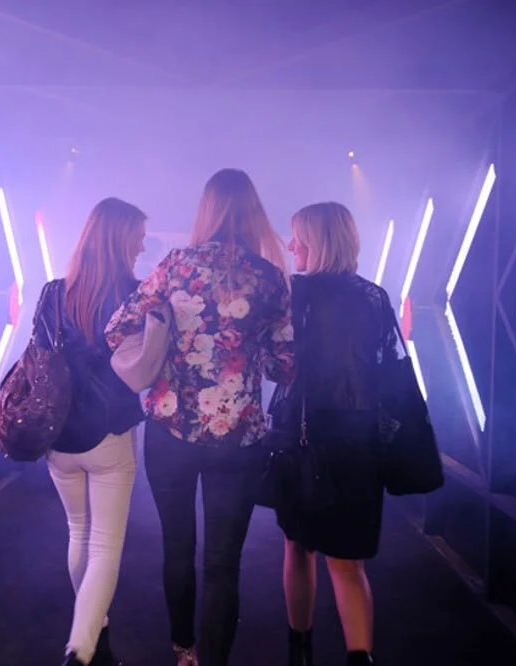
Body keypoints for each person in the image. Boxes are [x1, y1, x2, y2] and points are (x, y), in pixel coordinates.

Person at [105, 168, 295, 666]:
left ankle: (182, 649)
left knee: (176, 548)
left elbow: (117, 327)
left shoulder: (175, 267)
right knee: (222, 564)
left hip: (170, 429)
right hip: (238, 437)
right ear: (254, 212)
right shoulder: (269, 277)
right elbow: (285, 364)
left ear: (206, 210)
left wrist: (167, 347)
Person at [270, 202, 409, 666]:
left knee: (298, 546)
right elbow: (390, 369)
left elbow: (278, 363)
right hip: (359, 441)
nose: (292, 246)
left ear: (318, 241)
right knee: (349, 564)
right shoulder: (373, 296)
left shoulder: (295, 295)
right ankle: (359, 658)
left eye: (297, 237)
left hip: (302, 438)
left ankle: (300, 651)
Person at [32, 197, 148, 666]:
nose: (143, 245)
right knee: (104, 546)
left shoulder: (53, 292)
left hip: (59, 434)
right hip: (109, 434)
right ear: (121, 238)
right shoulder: (136, 297)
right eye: (138, 236)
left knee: (78, 533)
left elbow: (38, 359)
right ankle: (79, 652)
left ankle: (94, 640)